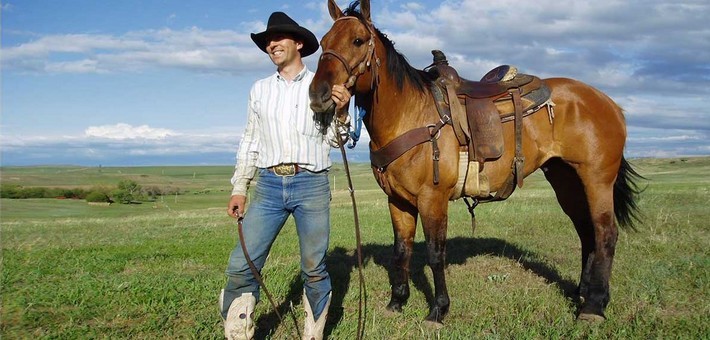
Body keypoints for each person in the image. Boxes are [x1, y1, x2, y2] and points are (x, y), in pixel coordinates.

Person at [219, 11, 351, 340]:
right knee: (242, 263)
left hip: (312, 183)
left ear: (299, 44)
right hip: (268, 185)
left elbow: (337, 140)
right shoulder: (259, 90)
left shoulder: (320, 85)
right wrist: (240, 188)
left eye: (278, 39)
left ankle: (313, 333)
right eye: (267, 41)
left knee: (314, 268)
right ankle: (239, 332)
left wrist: (344, 111)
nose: (271, 44)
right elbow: (250, 140)